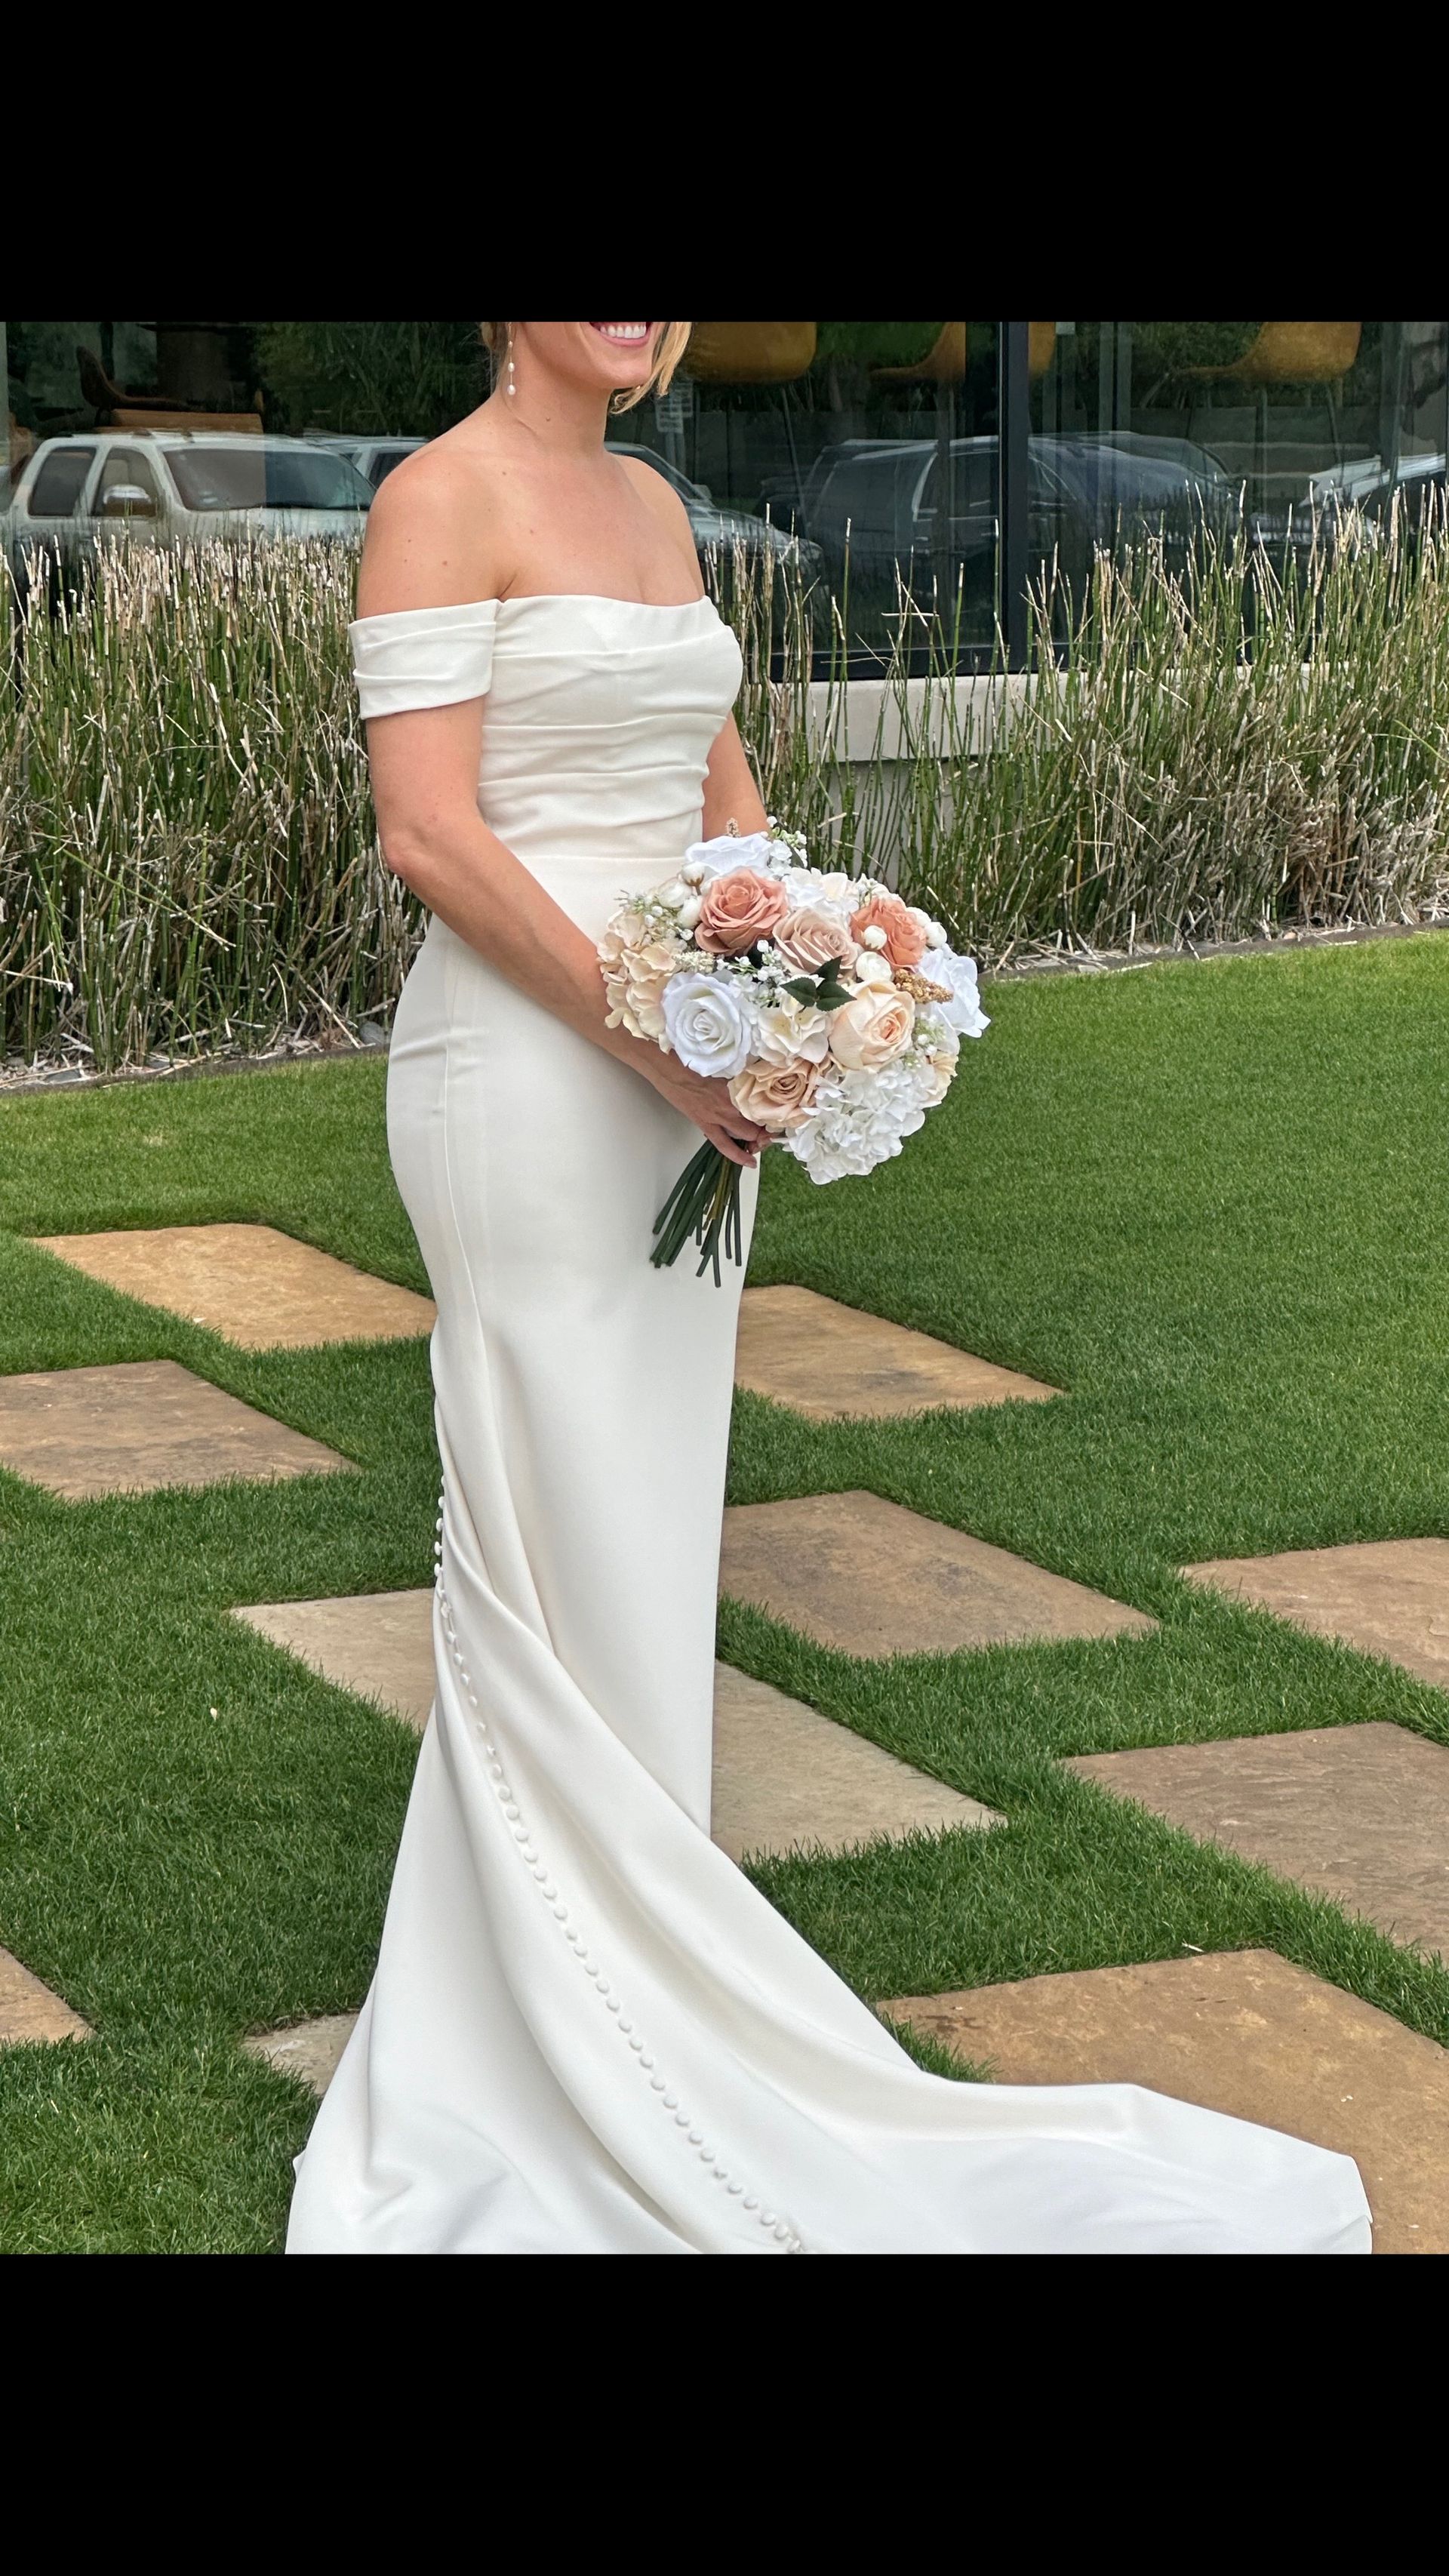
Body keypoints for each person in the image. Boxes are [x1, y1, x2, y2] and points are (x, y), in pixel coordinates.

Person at [286, 323, 1369, 2254]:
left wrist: (813, 975)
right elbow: (431, 833)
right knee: (538, 1548)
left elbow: (723, 799)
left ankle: (647, 2003)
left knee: (643, 1547)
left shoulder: (645, 500)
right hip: (532, 1092)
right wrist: (659, 1043)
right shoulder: (432, 498)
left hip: (681, 1071)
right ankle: (540, 2045)